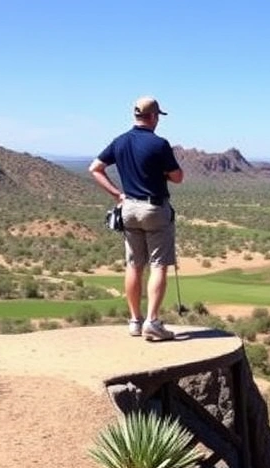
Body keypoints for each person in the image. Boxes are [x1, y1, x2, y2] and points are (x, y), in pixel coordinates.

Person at [89, 96, 184, 340]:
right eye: (157, 117)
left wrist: (117, 194)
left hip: (128, 208)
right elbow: (177, 177)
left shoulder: (119, 142)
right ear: (153, 117)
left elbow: (95, 168)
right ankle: (152, 321)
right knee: (158, 265)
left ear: (135, 116)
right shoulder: (159, 144)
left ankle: (134, 321)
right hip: (154, 209)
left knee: (133, 264)